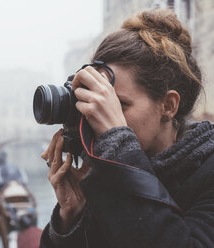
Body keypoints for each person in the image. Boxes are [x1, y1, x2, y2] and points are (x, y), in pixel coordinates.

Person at [40, 9, 214, 248]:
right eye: (98, 102)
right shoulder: (106, 173)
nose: (101, 116)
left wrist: (118, 144)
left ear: (168, 105)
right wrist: (71, 215)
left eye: (119, 104)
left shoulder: (207, 172)